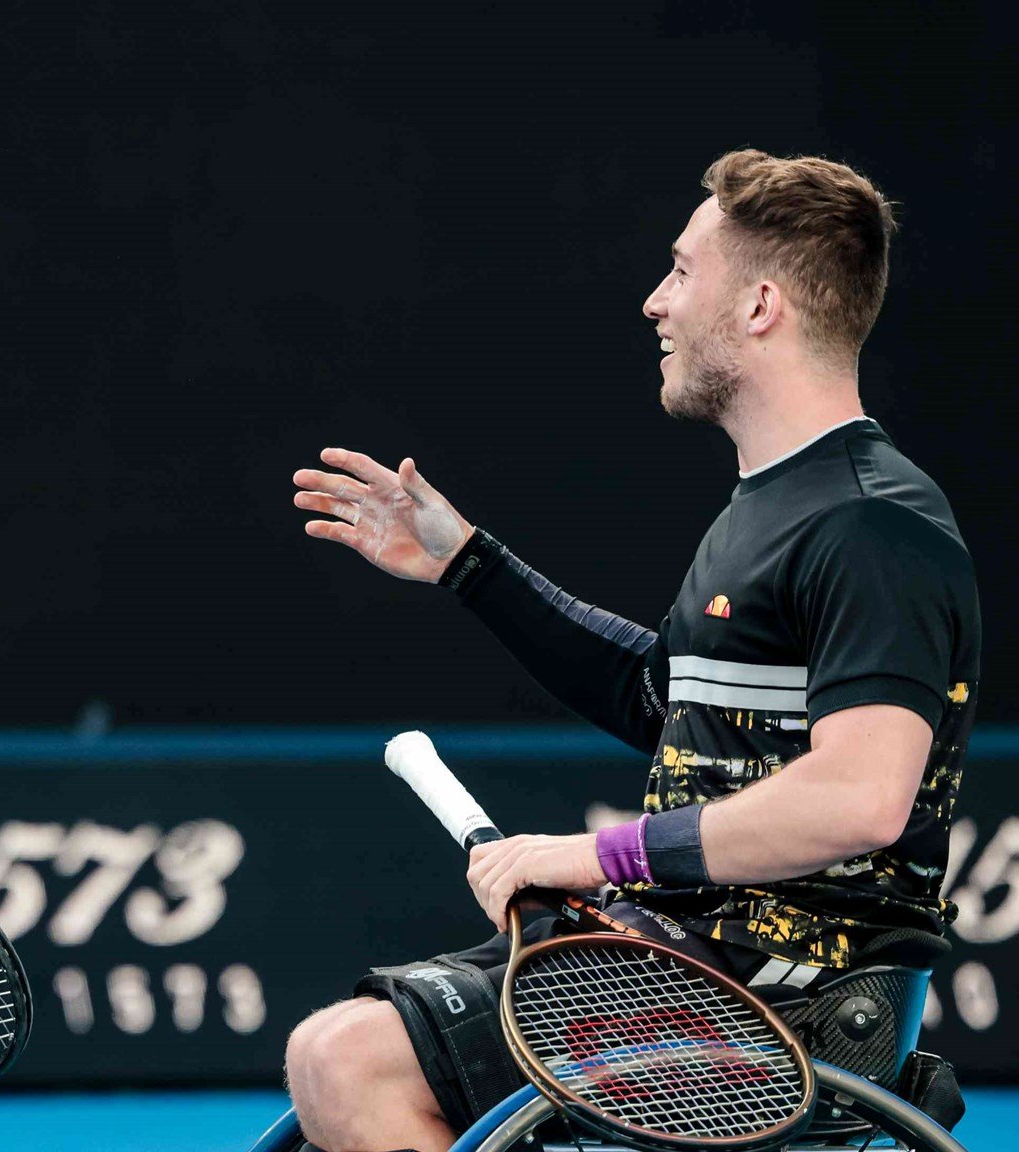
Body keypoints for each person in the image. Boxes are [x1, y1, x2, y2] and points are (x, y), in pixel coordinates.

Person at [283, 149, 980, 1152]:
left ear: (758, 307)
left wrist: (590, 855)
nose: (655, 302)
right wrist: (464, 565)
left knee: (345, 1061)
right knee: (335, 1053)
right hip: (685, 957)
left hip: (788, 1001)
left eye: (681, 271)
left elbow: (856, 798)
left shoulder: (871, 526)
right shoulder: (776, 505)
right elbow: (658, 697)